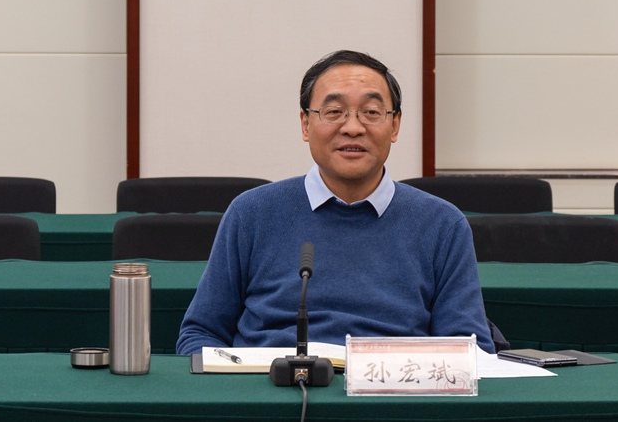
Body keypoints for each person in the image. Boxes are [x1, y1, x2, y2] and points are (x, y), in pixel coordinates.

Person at [176, 50, 496, 355]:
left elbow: (469, 350)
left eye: (371, 112)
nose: (353, 128)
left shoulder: (442, 224)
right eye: (334, 112)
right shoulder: (251, 214)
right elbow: (200, 334)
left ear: (395, 125)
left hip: (391, 390)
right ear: (306, 124)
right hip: (271, 389)